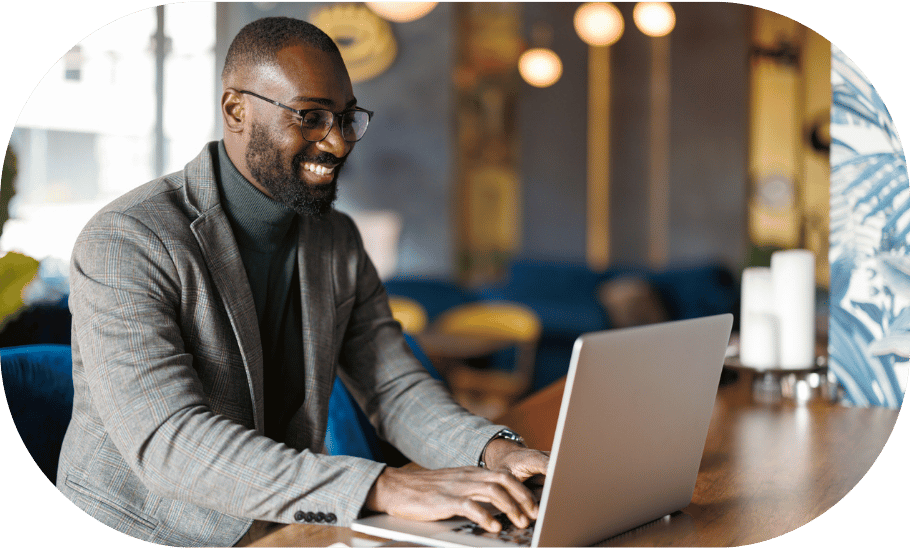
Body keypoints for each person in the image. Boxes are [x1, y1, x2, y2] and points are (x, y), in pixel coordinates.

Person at [56, 16, 548, 547]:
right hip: (152, 530)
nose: (336, 144)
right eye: (310, 117)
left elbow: (393, 386)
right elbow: (169, 442)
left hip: (284, 523)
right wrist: (381, 486)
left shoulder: (336, 239)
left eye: (346, 117)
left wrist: (496, 449)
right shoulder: (125, 239)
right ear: (235, 109)